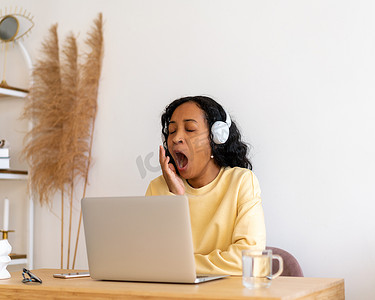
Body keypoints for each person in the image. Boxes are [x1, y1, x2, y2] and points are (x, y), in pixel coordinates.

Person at [146, 96, 266, 275]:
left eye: (190, 129)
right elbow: (149, 258)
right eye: (171, 130)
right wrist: (176, 197)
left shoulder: (242, 182)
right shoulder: (158, 188)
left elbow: (248, 259)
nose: (177, 137)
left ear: (216, 138)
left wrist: (179, 266)